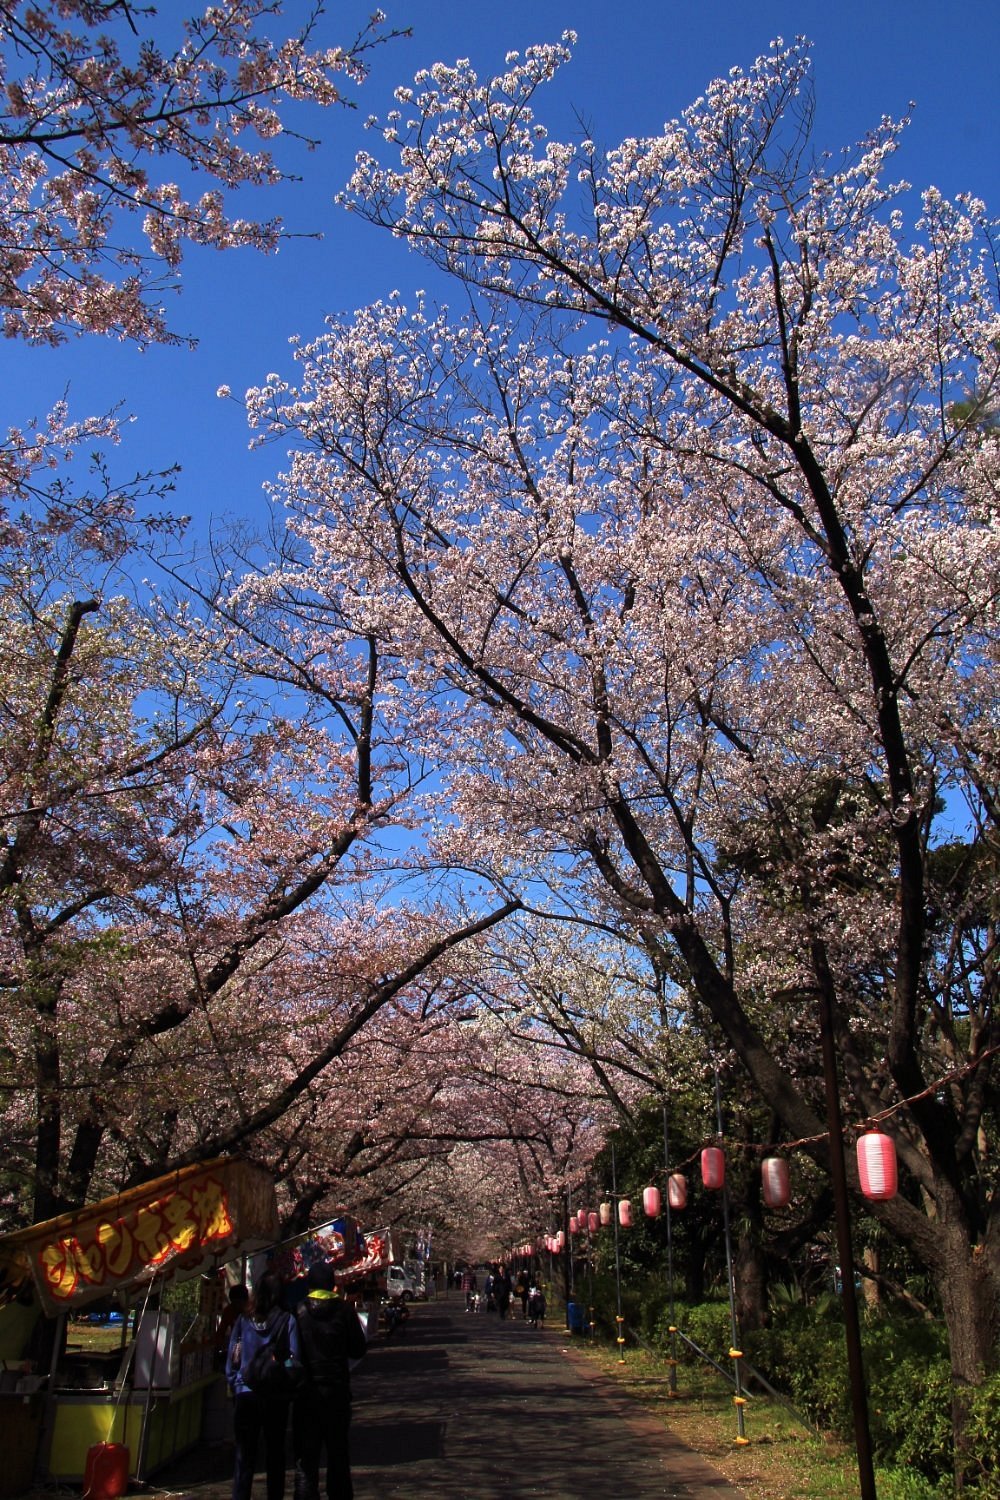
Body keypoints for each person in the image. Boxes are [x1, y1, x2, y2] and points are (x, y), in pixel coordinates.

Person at [293, 1260, 368, 1500]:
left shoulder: (298, 1312)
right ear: (333, 1284)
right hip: (337, 1390)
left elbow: (290, 1353)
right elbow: (358, 1349)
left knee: (306, 1456)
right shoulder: (345, 1311)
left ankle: (305, 1496)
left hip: (306, 1392)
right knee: (338, 1453)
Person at [226, 1270, 301, 1500]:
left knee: (244, 1456)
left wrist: (235, 1382)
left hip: (246, 1393)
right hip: (275, 1396)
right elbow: (294, 1358)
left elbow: (233, 1357)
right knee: (275, 1454)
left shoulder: (244, 1319)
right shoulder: (287, 1320)